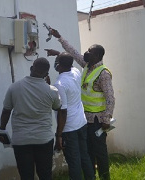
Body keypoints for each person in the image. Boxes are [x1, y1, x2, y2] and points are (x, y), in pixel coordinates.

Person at [46, 28, 115, 180]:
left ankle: (105, 177)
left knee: (100, 153)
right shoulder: (86, 67)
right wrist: (60, 39)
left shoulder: (103, 73)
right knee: (88, 154)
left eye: (90, 52)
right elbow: (73, 54)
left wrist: (107, 118)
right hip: (85, 120)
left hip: (98, 121)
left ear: (97, 55)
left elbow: (110, 97)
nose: (86, 53)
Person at [0, 58, 64, 180]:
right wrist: (59, 134)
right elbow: (59, 108)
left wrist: (2, 129)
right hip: (44, 139)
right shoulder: (52, 91)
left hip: (21, 140)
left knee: (26, 175)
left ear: (31, 68)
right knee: (45, 175)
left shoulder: (14, 87)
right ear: (46, 74)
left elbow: (6, 111)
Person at [53, 52, 95, 180]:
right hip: (81, 123)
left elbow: (63, 111)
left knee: (73, 161)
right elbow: (67, 60)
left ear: (59, 65)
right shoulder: (76, 71)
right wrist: (57, 54)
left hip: (69, 127)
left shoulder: (59, 84)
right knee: (84, 156)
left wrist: (59, 134)